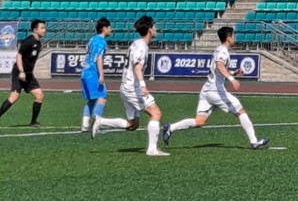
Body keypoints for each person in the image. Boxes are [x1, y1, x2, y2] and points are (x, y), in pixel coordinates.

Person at [162, 26, 270, 150]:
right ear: (229, 38)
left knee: (199, 121)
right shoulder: (223, 51)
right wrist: (232, 79)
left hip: (207, 90)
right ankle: (254, 141)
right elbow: (219, 66)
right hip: (215, 91)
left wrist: (233, 72)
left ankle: (170, 128)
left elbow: (218, 70)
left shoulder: (219, 50)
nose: (235, 38)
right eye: (233, 35)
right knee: (240, 111)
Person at [92, 16, 169, 157]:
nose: (156, 29)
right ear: (149, 29)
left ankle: (101, 121)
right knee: (156, 113)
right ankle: (152, 149)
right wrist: (143, 86)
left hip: (126, 87)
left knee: (133, 125)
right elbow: (137, 67)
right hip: (133, 88)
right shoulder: (141, 46)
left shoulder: (137, 43)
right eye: (154, 26)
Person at [0, 19, 47, 126]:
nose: (44, 30)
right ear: (35, 30)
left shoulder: (38, 43)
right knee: (14, 97)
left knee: (39, 96)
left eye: (44, 28)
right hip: (19, 73)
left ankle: (33, 122)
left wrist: (27, 72)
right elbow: (19, 56)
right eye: (42, 28)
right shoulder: (28, 41)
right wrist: (21, 71)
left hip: (28, 74)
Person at [80, 18, 112, 136]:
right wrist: (101, 74)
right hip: (93, 73)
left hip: (85, 72)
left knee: (92, 99)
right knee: (102, 97)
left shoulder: (92, 39)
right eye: (109, 27)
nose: (111, 30)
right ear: (104, 28)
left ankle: (85, 125)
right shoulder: (101, 41)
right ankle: (96, 124)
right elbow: (98, 58)